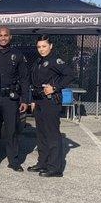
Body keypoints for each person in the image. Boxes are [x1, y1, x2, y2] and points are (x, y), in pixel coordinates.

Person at [28, 35, 74, 177]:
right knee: (41, 134)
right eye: (39, 47)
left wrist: (55, 87)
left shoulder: (56, 61)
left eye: (44, 46)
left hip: (51, 101)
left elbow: (70, 75)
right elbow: (35, 83)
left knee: (52, 135)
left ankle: (55, 168)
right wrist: (33, 100)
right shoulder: (38, 61)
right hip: (40, 101)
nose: (41, 49)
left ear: (51, 46)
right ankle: (42, 163)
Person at [0, 27, 30, 172]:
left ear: (10, 37)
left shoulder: (17, 55)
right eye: (0, 35)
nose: (3, 38)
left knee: (11, 130)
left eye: (6, 35)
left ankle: (14, 161)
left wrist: (25, 99)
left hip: (10, 99)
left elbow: (25, 79)